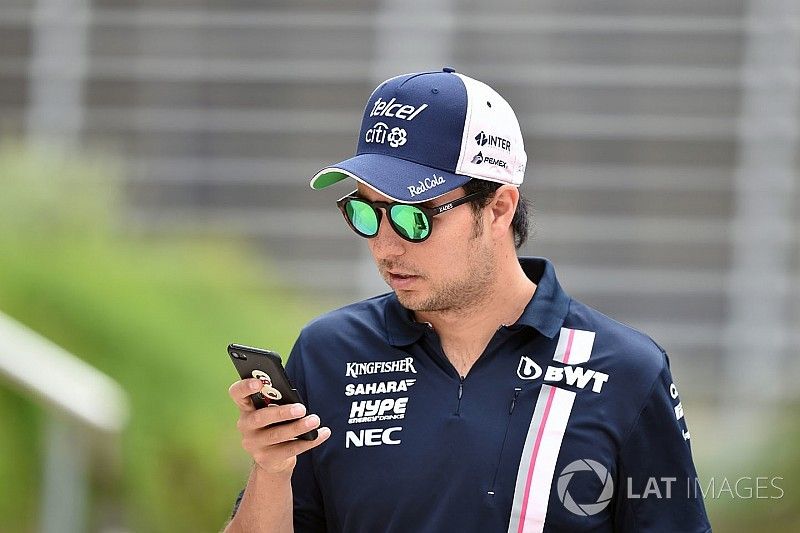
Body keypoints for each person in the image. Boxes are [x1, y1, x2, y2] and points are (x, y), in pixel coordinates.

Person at [224, 67, 712, 532]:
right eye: (366, 213)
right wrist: (270, 470)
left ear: (498, 208)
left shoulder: (626, 370)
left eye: (414, 217)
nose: (385, 246)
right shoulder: (328, 351)